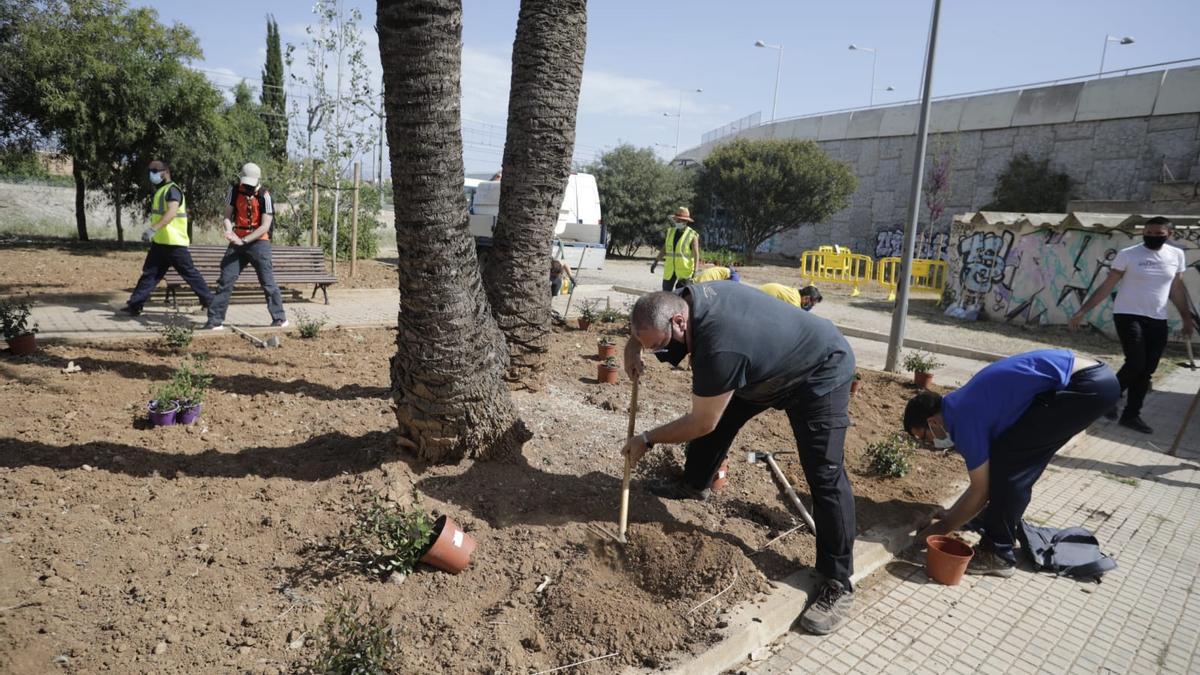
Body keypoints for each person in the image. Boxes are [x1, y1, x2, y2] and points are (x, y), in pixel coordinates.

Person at [621, 282, 858, 635]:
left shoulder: (721, 347)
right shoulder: (686, 300)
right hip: (765, 367)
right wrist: (632, 347)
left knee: (824, 473)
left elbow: (703, 421)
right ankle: (695, 484)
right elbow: (651, 314)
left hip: (818, 369)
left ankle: (838, 581)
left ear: (679, 323)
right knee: (720, 410)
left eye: (658, 346)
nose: (657, 353)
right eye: (650, 346)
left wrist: (647, 439)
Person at [903, 349, 1119, 577]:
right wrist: (953, 515)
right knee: (1011, 453)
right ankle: (988, 519)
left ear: (933, 421)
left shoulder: (964, 420)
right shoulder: (959, 405)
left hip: (1085, 386)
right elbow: (984, 482)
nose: (929, 444)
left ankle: (998, 553)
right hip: (1093, 379)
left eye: (924, 437)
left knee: (1011, 464)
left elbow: (980, 489)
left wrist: (944, 527)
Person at [1069, 217, 1194, 433]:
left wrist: (1186, 317)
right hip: (1128, 315)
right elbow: (1107, 286)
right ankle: (1108, 398)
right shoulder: (1129, 254)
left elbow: (1177, 289)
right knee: (1136, 362)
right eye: (1149, 233)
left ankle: (1131, 415)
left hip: (1157, 318)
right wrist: (1083, 310)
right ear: (1143, 232)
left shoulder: (1176, 255)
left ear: (1169, 234)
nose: (1153, 237)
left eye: (1158, 233)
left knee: (1146, 371)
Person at [120, 160, 213, 316]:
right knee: (150, 274)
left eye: (156, 172)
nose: (153, 175)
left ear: (166, 172)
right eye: (151, 171)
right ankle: (135, 305)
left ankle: (211, 304)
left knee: (190, 274)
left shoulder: (173, 190)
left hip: (174, 243)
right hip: (161, 243)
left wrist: (152, 229)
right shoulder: (162, 191)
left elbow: (171, 213)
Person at [204, 163, 288, 330]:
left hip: (259, 242)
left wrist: (244, 240)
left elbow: (265, 226)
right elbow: (227, 216)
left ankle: (279, 318)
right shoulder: (234, 191)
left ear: (258, 180)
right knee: (225, 280)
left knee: (267, 282)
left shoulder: (265, 195)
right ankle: (215, 320)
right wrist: (229, 232)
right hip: (237, 241)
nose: (246, 186)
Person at [651, 207, 701, 292]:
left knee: (682, 295)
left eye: (679, 220)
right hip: (670, 269)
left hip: (685, 271)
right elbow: (665, 249)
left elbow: (696, 254)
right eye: (676, 220)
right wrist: (656, 261)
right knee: (666, 294)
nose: (677, 222)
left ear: (685, 221)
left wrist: (695, 271)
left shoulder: (692, 235)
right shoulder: (670, 232)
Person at [757, 283, 823, 312]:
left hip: (764, 290)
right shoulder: (794, 302)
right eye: (812, 304)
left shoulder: (795, 292)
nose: (810, 307)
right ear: (807, 298)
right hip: (762, 296)